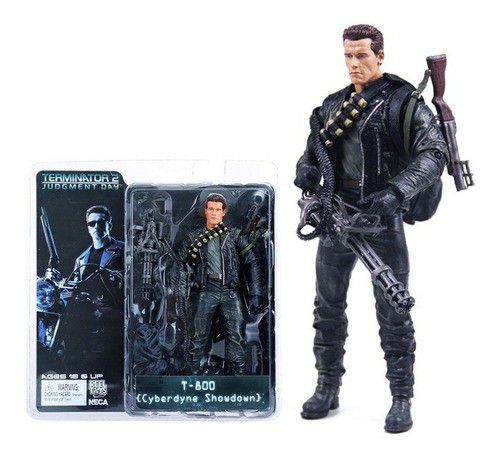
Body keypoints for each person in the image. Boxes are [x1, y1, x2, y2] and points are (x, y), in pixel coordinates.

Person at [294, 24, 448, 433]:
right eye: (348, 55)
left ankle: (401, 397)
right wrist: (306, 169)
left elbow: (434, 154)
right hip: (335, 215)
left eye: (362, 55)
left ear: (380, 56)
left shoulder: (403, 103)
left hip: (381, 217)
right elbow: (313, 149)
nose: (354, 64)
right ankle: (327, 386)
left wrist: (397, 191)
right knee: (327, 306)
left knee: (394, 310)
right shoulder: (333, 105)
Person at [179, 193, 264, 375]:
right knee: (197, 337)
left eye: (218, 209)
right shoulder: (194, 237)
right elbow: (179, 265)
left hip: (230, 291)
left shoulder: (235, 235)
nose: (214, 213)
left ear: (224, 212)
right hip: (205, 291)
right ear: (205, 211)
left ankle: (237, 378)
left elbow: (252, 262)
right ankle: (190, 378)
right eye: (211, 209)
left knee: (236, 337)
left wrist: (256, 293)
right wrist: (180, 293)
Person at [58, 205, 124, 374]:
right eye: (92, 223)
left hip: (114, 311)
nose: (96, 226)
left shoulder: (124, 250)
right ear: (87, 227)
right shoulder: (81, 259)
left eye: (101, 222)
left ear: (109, 224)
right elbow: (74, 286)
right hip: (86, 313)